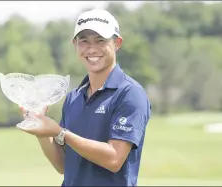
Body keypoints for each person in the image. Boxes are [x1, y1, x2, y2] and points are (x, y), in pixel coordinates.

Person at [19, 9, 151, 186]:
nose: (92, 48)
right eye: (84, 41)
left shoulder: (129, 93)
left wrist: (60, 133)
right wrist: (42, 131)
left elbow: (114, 159)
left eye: (100, 40)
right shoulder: (73, 97)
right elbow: (64, 165)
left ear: (117, 43)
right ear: (75, 44)